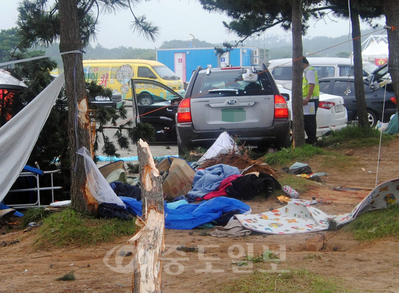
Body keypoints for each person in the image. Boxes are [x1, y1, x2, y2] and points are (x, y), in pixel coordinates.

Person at [302, 57, 320, 145]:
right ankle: (312, 140)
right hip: (310, 100)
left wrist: (307, 98)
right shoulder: (308, 71)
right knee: (309, 121)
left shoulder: (309, 71)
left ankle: (312, 141)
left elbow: (311, 84)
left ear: (303, 64)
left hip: (311, 101)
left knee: (309, 121)